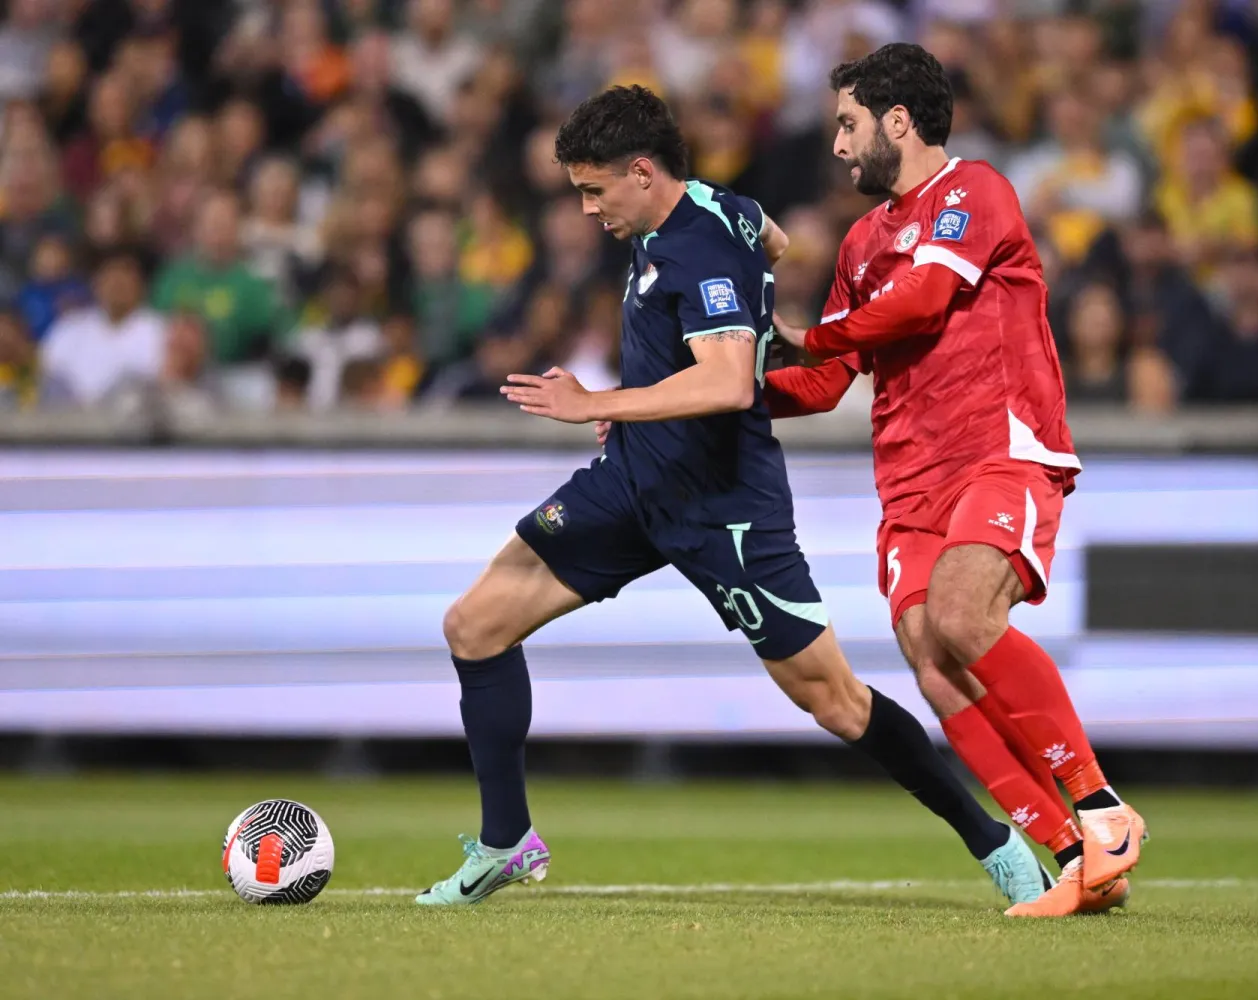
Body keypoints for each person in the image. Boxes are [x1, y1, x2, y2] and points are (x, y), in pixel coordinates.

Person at [414, 85, 1052, 907]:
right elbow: (775, 240)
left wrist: (596, 402)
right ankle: (507, 842)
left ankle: (993, 840)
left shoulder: (699, 248)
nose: (586, 208)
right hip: (636, 482)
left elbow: (721, 382)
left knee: (835, 701)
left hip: (726, 506)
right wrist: (659, 391)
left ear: (642, 172)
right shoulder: (716, 211)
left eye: (594, 189)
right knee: (473, 626)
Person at [766, 44, 1145, 918]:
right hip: (909, 481)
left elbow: (925, 303)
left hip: (998, 448)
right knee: (934, 665)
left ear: (899, 121)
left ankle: (1102, 810)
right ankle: (1072, 858)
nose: (838, 146)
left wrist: (811, 338)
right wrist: (718, 393)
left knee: (963, 616)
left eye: (848, 124)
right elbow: (824, 383)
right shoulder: (861, 243)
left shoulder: (975, 191)